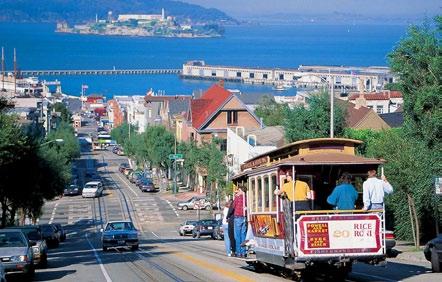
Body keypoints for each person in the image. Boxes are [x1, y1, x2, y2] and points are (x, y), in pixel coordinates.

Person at [233, 186, 247, 258]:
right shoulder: (246, 197)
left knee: (237, 236)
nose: (238, 191)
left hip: (238, 216)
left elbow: (233, 206)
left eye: (238, 190)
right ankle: (244, 252)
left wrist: (235, 196)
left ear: (241, 190)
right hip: (244, 217)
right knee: (243, 235)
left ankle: (239, 253)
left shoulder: (237, 197)